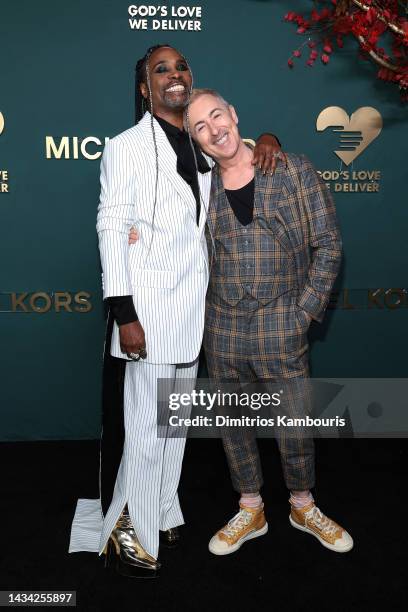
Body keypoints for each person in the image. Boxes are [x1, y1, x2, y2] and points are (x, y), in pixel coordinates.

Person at [68, 45, 282, 578]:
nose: (174, 75)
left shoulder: (198, 144)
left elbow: (235, 152)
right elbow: (110, 228)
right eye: (160, 70)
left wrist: (266, 142)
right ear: (145, 88)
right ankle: (128, 526)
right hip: (146, 312)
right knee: (146, 427)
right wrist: (123, 312)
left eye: (181, 66)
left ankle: (162, 509)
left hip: (192, 312)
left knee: (175, 424)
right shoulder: (126, 147)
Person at [185, 88, 353, 555]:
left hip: (282, 321)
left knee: (295, 421)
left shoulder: (292, 168)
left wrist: (303, 312)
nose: (214, 129)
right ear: (196, 140)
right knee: (232, 421)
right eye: (200, 126)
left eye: (217, 115)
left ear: (234, 114)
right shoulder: (197, 186)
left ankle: (302, 504)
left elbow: (329, 244)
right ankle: (250, 507)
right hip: (222, 327)